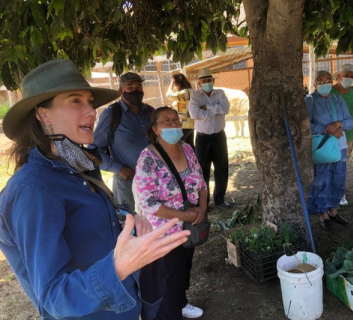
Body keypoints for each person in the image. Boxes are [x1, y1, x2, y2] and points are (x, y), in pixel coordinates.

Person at [0, 59, 190, 319]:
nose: (91, 111)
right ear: (43, 114)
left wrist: (130, 224)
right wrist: (118, 267)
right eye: (75, 101)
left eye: (90, 101)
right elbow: (52, 297)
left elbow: (89, 231)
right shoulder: (32, 190)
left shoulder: (79, 164)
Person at [134, 107, 207, 319]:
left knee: (183, 267)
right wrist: (185, 216)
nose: (174, 124)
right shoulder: (148, 158)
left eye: (176, 119)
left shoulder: (187, 149)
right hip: (165, 230)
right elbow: (147, 202)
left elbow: (201, 182)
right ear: (156, 129)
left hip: (190, 226)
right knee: (166, 274)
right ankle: (167, 311)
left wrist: (201, 209)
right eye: (167, 121)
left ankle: (180, 302)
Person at [93, 72, 154, 214]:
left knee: (154, 221)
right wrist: (119, 168)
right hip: (128, 181)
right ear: (121, 91)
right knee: (131, 224)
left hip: (154, 179)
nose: (135, 90)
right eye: (130, 86)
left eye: (139, 86)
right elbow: (94, 150)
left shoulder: (150, 112)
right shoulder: (111, 114)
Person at [306, 70, 353, 231]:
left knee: (338, 178)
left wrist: (338, 124)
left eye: (328, 80)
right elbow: (306, 125)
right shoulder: (310, 101)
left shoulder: (338, 99)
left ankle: (333, 211)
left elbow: (349, 121)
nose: (325, 83)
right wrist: (328, 129)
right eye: (321, 80)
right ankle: (322, 213)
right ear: (314, 84)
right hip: (322, 146)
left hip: (339, 146)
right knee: (322, 178)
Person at [188, 68, 231, 208]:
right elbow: (194, 113)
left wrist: (207, 108)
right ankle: (203, 203)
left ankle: (219, 199)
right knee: (202, 170)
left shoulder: (220, 93)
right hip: (202, 139)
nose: (207, 83)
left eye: (209, 81)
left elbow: (226, 109)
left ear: (213, 81)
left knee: (222, 168)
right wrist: (214, 111)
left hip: (219, 136)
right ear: (199, 83)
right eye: (204, 81)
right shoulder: (195, 96)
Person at [331, 63, 353, 206]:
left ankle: (340, 191)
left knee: (344, 165)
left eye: (351, 77)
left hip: (349, 134)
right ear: (338, 77)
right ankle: (335, 192)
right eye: (346, 76)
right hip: (334, 135)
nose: (349, 79)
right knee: (334, 164)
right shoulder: (331, 92)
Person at [166, 73, 195, 149]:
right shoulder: (188, 92)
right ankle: (194, 160)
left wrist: (171, 83)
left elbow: (168, 95)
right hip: (190, 123)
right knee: (189, 145)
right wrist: (173, 106)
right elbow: (184, 105)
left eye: (174, 83)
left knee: (177, 145)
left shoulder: (185, 92)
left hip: (185, 124)